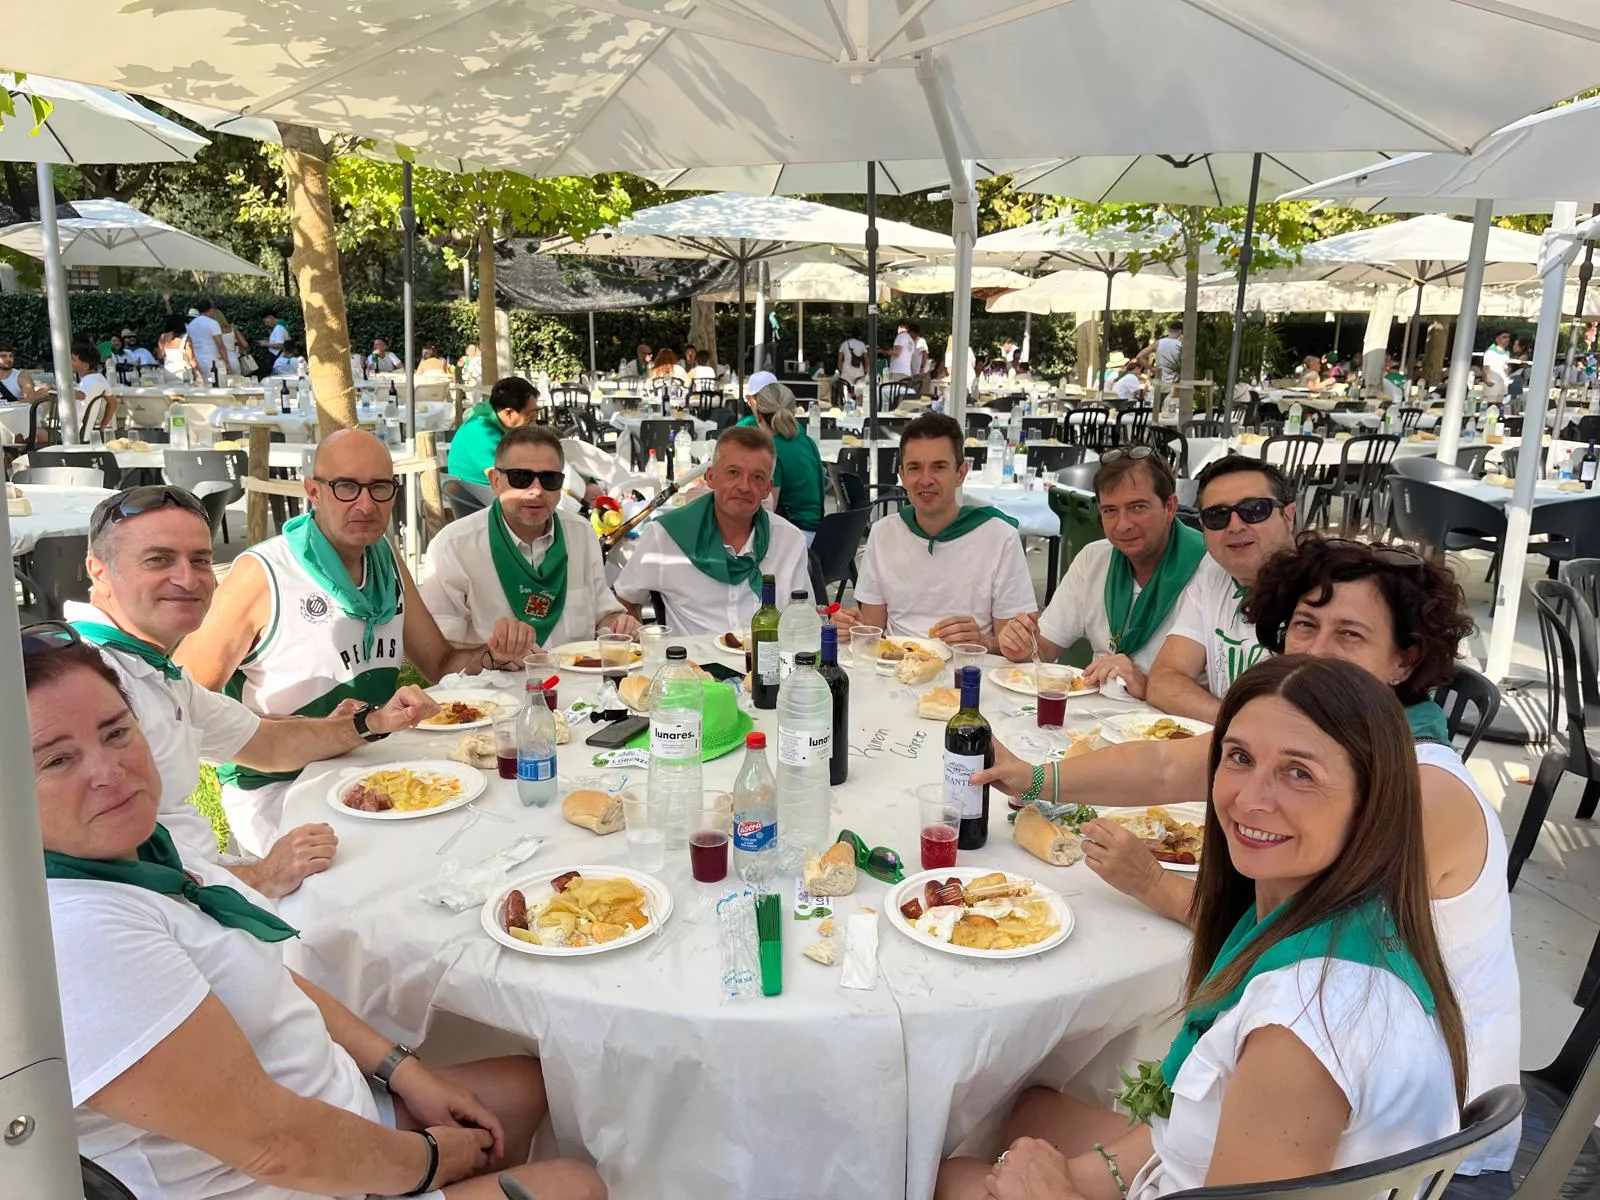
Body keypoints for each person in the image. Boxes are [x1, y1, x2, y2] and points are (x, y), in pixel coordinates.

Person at [972, 535, 1520, 1177]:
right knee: (1019, 1111)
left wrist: (1152, 883)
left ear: (1404, 660)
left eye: (1349, 634)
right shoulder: (1315, 739)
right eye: (1306, 625)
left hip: (1402, 1151)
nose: (1315, 651)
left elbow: (1294, 952)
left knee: (983, 1154)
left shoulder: (1416, 793)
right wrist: (1035, 778)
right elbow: (1164, 766)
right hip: (1296, 1095)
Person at [24, 636, 606, 1200]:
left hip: (336, 1110)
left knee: (530, 1085)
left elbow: (268, 979)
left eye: (116, 732)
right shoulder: (78, 932)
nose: (109, 771)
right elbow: (272, 1146)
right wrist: (430, 1160)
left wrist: (404, 1071)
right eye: (57, 759)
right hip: (279, 1180)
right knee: (577, 1187)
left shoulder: (142, 852)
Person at [940, 655, 1467, 1200]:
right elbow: (1190, 1131)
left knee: (951, 1178)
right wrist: (1087, 1174)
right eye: (1239, 757)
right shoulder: (1346, 912)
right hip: (1193, 1167)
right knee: (1026, 1109)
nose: (1250, 799)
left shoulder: (1302, 1031)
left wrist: (1058, 1193)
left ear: (1371, 804)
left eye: (1299, 773)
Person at [174, 430, 537, 856]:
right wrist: (316, 731)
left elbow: (440, 664)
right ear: (313, 492)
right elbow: (182, 703)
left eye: (379, 488)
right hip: (280, 790)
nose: (365, 505)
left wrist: (493, 656)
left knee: (498, 829)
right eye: (346, 487)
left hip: (372, 768)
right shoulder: (264, 573)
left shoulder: (385, 558)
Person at [67, 484, 436, 894]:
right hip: (172, 908)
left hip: (207, 881)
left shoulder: (146, 666)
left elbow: (267, 744)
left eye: (200, 560)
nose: (187, 579)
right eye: (159, 560)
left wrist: (373, 722)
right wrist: (261, 877)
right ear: (98, 572)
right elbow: (111, 865)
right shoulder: (83, 684)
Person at [999, 448, 1205, 699]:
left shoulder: (1210, 569)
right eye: (1110, 510)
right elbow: (1045, 649)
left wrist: (1146, 686)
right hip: (1098, 712)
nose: (1123, 524)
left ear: (1170, 507)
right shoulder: (1094, 559)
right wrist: (1022, 646)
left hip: (1175, 719)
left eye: (1138, 507)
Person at [422, 425, 640, 648]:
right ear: (495, 481)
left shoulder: (581, 533)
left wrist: (618, 624)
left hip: (575, 670)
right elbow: (442, 652)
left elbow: (603, 614)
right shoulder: (453, 547)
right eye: (520, 477)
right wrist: (493, 655)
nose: (536, 490)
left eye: (550, 479)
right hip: (491, 671)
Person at [835, 413, 1035, 654]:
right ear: (902, 476)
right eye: (915, 468)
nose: (926, 480)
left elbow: (1015, 649)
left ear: (961, 473)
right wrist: (851, 626)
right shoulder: (883, 533)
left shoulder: (999, 537)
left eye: (939, 467)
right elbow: (872, 629)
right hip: (897, 667)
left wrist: (983, 641)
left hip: (970, 668)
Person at [613, 424, 811, 635]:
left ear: (767, 489)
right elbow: (625, 602)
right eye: (733, 473)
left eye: (757, 477)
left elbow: (805, 620)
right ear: (711, 477)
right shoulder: (666, 536)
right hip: (692, 656)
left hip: (769, 655)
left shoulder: (789, 541)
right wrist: (633, 633)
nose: (744, 486)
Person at [1146, 456, 1297, 721]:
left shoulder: (1323, 593)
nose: (1235, 526)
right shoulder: (1212, 577)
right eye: (1217, 516)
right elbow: (1163, 681)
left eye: (1254, 510)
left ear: (1288, 516)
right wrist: (1235, 724)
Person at [745, 381, 825, 543]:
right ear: (793, 412)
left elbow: (768, 511)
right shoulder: (807, 442)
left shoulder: (771, 450)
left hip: (794, 536)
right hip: (819, 535)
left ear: (758, 415)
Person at [447, 376, 543, 486]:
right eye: (530, 413)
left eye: (536, 411)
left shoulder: (497, 419)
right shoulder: (481, 431)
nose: (534, 417)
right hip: (481, 493)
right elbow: (504, 479)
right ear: (509, 413)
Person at [71, 341, 114, 435]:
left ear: (85, 366)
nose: (69, 362)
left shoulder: (89, 381)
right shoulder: (100, 378)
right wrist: (103, 425)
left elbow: (81, 395)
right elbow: (113, 402)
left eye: (73, 359)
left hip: (73, 432)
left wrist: (58, 389)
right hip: (84, 431)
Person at [186, 299, 228, 380]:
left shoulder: (191, 325)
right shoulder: (213, 323)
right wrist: (226, 362)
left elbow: (188, 345)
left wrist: (192, 361)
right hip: (212, 361)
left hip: (198, 361)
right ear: (210, 310)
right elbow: (220, 344)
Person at [1481, 330, 1512, 400]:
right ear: (1497, 339)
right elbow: (1486, 367)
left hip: (1503, 385)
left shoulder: (1507, 353)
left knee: (1499, 405)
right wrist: (1486, 380)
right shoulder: (1490, 352)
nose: (1507, 339)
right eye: (1504, 337)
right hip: (1492, 384)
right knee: (1490, 404)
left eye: (1508, 337)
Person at [1155, 320, 1183, 387]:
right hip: (1174, 382)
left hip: (1159, 381)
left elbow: (1140, 357)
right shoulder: (1181, 345)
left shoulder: (1158, 343)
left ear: (1169, 330)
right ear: (1180, 331)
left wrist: (1152, 369)